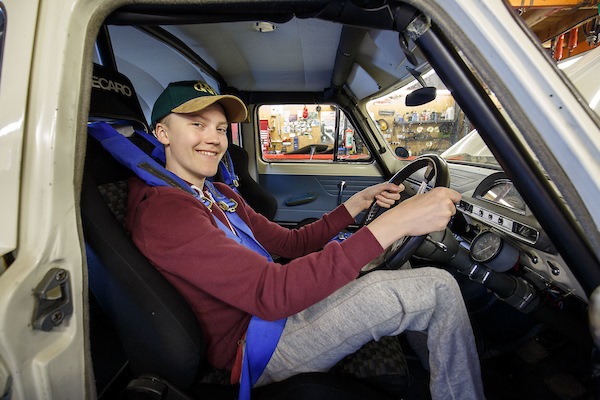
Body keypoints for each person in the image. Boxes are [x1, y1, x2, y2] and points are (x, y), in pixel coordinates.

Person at [125, 80, 485, 399]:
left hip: (273, 315)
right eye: (196, 125)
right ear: (163, 133)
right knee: (439, 287)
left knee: (397, 257)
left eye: (220, 128)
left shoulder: (220, 193)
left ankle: (434, 372)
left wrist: (355, 205)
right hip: (257, 345)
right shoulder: (166, 211)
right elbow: (271, 294)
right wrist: (396, 221)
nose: (213, 139)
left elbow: (291, 245)